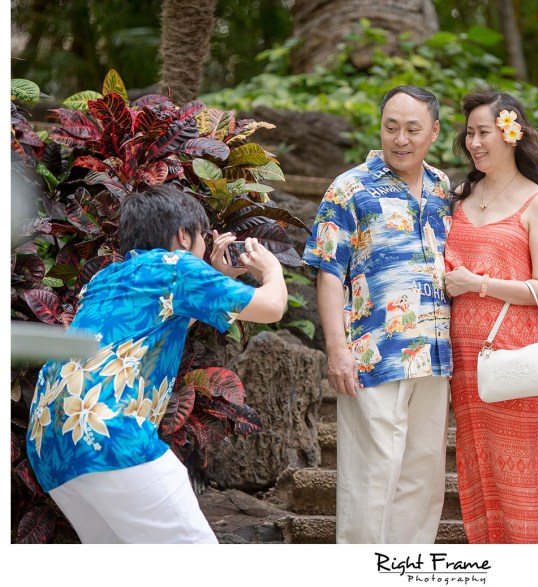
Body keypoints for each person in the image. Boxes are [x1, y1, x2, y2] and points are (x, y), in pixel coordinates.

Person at [25, 184, 287, 543]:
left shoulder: (108, 277)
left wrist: (219, 277)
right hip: (109, 432)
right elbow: (272, 306)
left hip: (50, 442)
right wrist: (272, 270)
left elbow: (167, 318)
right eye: (203, 239)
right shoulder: (177, 267)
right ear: (183, 235)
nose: (204, 248)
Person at [303, 85, 453, 544]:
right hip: (372, 353)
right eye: (392, 127)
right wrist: (337, 351)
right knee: (370, 479)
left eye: (412, 129)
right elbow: (328, 273)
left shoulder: (442, 187)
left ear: (434, 132)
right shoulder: (350, 187)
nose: (400, 139)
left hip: (434, 356)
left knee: (423, 479)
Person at [444, 88, 538, 544]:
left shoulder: (537, 203)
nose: (474, 142)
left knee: (521, 487)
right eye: (469, 133)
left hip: (518, 359)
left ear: (510, 133)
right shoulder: (458, 197)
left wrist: (478, 284)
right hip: (465, 363)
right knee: (479, 480)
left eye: (484, 132)